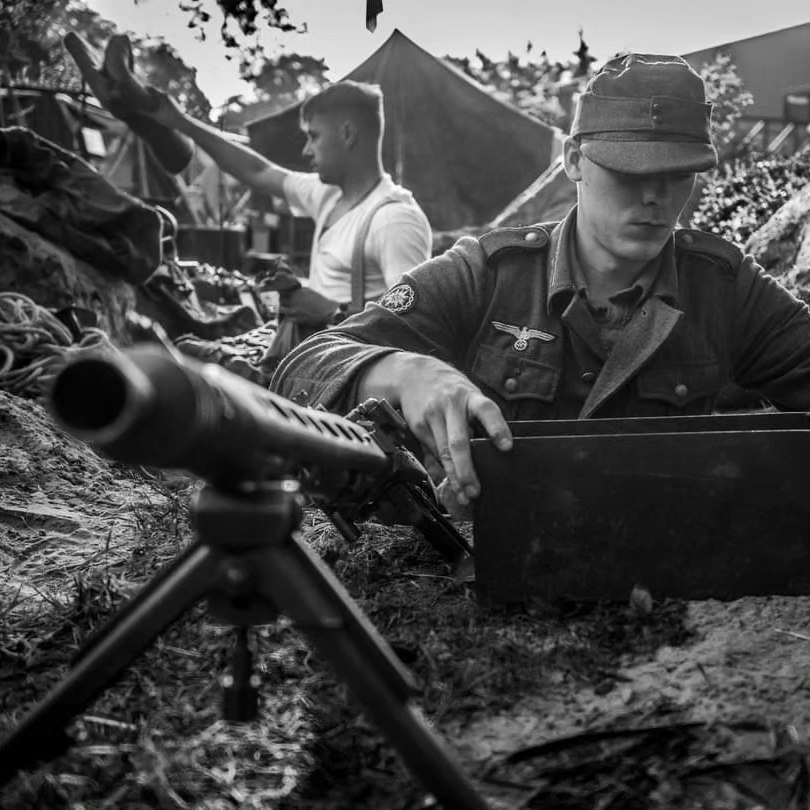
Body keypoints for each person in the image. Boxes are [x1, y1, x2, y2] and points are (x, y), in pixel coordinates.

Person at [270, 52, 810, 509]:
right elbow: (302, 368)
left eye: (678, 175)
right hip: (500, 586)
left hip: (672, 579)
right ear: (575, 160)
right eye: (631, 172)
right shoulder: (489, 273)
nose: (656, 197)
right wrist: (406, 374)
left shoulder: (724, 286)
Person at [65, 34, 432, 331]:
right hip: (315, 356)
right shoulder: (327, 195)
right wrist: (178, 121)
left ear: (348, 133)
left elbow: (419, 326)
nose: (306, 150)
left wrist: (332, 311)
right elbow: (255, 171)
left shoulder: (394, 220)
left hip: (352, 382)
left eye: (314, 136)